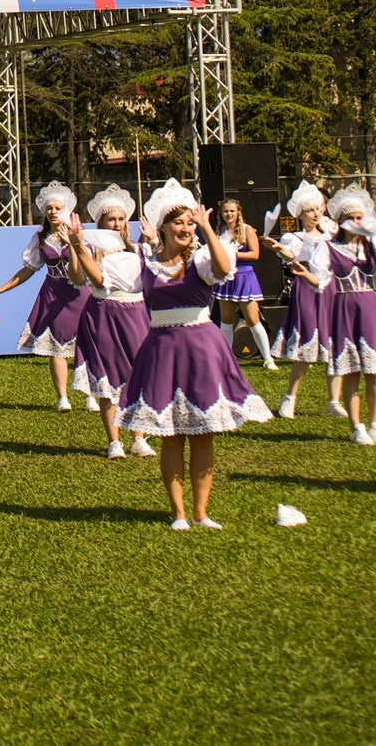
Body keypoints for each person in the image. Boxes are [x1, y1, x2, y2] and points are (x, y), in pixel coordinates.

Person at [119, 180, 271, 529]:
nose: (185, 228)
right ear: (164, 228)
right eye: (180, 223)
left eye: (190, 222)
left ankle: (201, 512)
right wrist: (81, 246)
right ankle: (179, 513)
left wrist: (206, 228)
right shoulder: (145, 262)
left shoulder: (202, 258)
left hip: (202, 348)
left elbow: (221, 268)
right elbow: (101, 282)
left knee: (203, 432)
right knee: (171, 434)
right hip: (162, 349)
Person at [62, 186, 150, 462]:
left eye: (121, 219)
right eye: (111, 219)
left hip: (135, 314)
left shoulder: (137, 248)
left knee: (138, 376)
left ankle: (139, 437)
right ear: (100, 222)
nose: (116, 224)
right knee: (108, 378)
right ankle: (114, 441)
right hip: (103, 313)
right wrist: (75, 247)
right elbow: (78, 280)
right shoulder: (89, 247)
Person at [0, 183, 88, 411]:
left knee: (87, 344)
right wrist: (4, 288)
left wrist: (73, 242)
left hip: (80, 293)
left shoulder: (79, 232)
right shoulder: (41, 238)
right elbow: (29, 269)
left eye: (57, 207)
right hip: (53, 294)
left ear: (67, 210)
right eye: (49, 208)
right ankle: (62, 397)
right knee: (56, 345)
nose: (53, 212)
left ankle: (90, 394)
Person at [319, 187, 376, 446]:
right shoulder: (329, 247)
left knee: (374, 371)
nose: (357, 222)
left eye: (359, 218)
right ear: (341, 221)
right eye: (351, 218)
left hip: (371, 307)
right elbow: (319, 278)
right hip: (345, 308)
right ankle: (357, 426)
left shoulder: (372, 244)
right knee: (352, 370)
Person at [266, 182, 335, 420]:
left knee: (333, 343)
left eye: (318, 208)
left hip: (330, 289)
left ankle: (333, 399)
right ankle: (290, 397)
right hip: (306, 289)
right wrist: (278, 248)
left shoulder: (332, 233)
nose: (315, 214)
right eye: (309, 210)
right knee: (307, 345)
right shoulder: (294, 237)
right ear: (300, 215)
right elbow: (290, 255)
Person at [209, 197, 275, 369]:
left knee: (252, 319)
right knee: (226, 319)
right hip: (226, 279)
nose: (229, 214)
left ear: (238, 212)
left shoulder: (247, 230)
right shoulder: (220, 231)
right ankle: (226, 359)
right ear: (221, 214)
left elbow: (255, 254)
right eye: (225, 211)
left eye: (232, 211)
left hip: (245, 277)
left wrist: (233, 253)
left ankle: (268, 358)